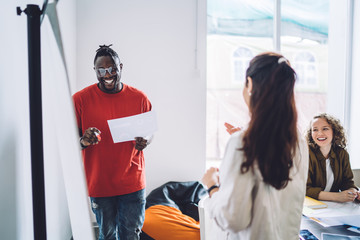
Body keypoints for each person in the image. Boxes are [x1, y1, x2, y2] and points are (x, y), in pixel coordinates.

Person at [201, 52, 309, 240]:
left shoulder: (243, 143)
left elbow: (233, 219)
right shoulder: (298, 141)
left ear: (250, 84)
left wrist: (212, 187)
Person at [72, 44, 152, 240]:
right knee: (107, 236)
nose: (107, 74)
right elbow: (70, 143)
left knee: (131, 235)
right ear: (95, 71)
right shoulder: (80, 100)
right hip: (100, 183)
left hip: (132, 183)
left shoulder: (139, 98)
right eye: (102, 70)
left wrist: (145, 140)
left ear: (120, 67)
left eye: (112, 68)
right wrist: (83, 141)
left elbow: (149, 132)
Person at [306, 113, 360, 202]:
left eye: (325, 129)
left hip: (334, 207)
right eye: (315, 130)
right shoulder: (306, 154)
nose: (320, 133)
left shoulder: (342, 153)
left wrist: (353, 192)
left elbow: (347, 182)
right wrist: (336, 197)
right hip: (311, 207)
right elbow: (304, 189)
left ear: (334, 131)